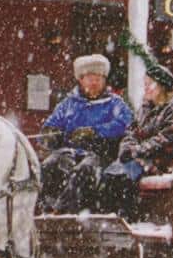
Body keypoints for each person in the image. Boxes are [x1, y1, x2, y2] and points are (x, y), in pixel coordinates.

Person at [38, 54, 133, 213]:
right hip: (70, 152)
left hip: (101, 154)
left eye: (99, 78)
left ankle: (63, 213)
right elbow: (52, 124)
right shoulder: (68, 104)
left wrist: (95, 131)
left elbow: (123, 124)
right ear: (81, 80)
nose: (95, 82)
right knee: (49, 165)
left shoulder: (115, 103)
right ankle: (43, 208)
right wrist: (50, 133)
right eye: (90, 78)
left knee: (84, 170)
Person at [99, 64, 173, 218]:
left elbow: (165, 140)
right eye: (145, 84)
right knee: (110, 174)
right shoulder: (145, 108)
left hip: (164, 162)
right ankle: (109, 216)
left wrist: (136, 151)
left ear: (162, 87)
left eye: (150, 84)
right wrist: (127, 148)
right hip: (143, 159)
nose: (146, 88)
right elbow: (131, 132)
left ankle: (128, 217)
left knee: (125, 176)